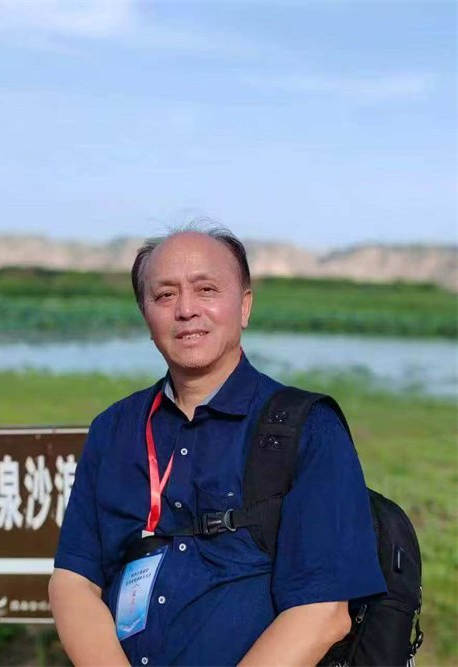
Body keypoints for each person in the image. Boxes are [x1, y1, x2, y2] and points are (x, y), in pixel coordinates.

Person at [49, 224, 386, 667]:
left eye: (206, 289)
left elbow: (323, 613)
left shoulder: (306, 427)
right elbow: (72, 581)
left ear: (244, 306)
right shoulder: (113, 429)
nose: (186, 309)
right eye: (164, 295)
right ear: (145, 315)